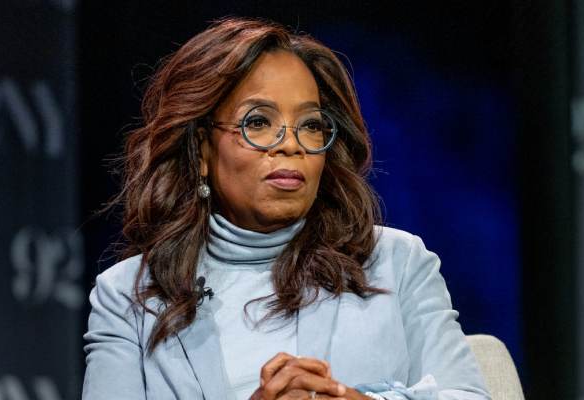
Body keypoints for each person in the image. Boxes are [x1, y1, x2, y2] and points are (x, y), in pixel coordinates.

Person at [82, 16, 491, 400]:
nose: (291, 145)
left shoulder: (397, 263)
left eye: (311, 125)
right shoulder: (127, 297)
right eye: (258, 122)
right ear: (201, 148)